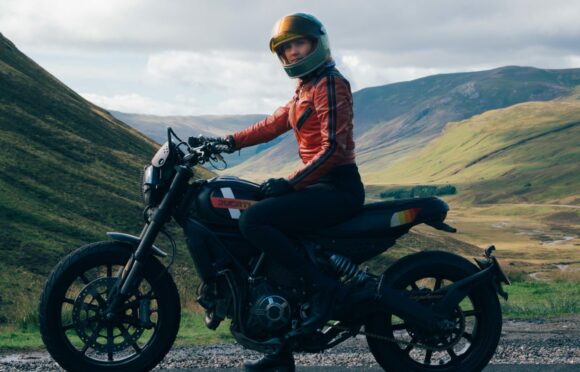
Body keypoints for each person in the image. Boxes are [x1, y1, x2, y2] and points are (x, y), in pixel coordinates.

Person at [220, 13, 365, 371]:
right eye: (286, 49)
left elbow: (333, 149)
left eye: (298, 44)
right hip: (317, 185)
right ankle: (279, 348)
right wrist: (226, 141)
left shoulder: (330, 84)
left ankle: (321, 287)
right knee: (259, 219)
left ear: (317, 43)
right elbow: (272, 124)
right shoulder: (305, 88)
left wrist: (291, 183)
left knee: (254, 220)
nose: (293, 53)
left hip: (337, 187)